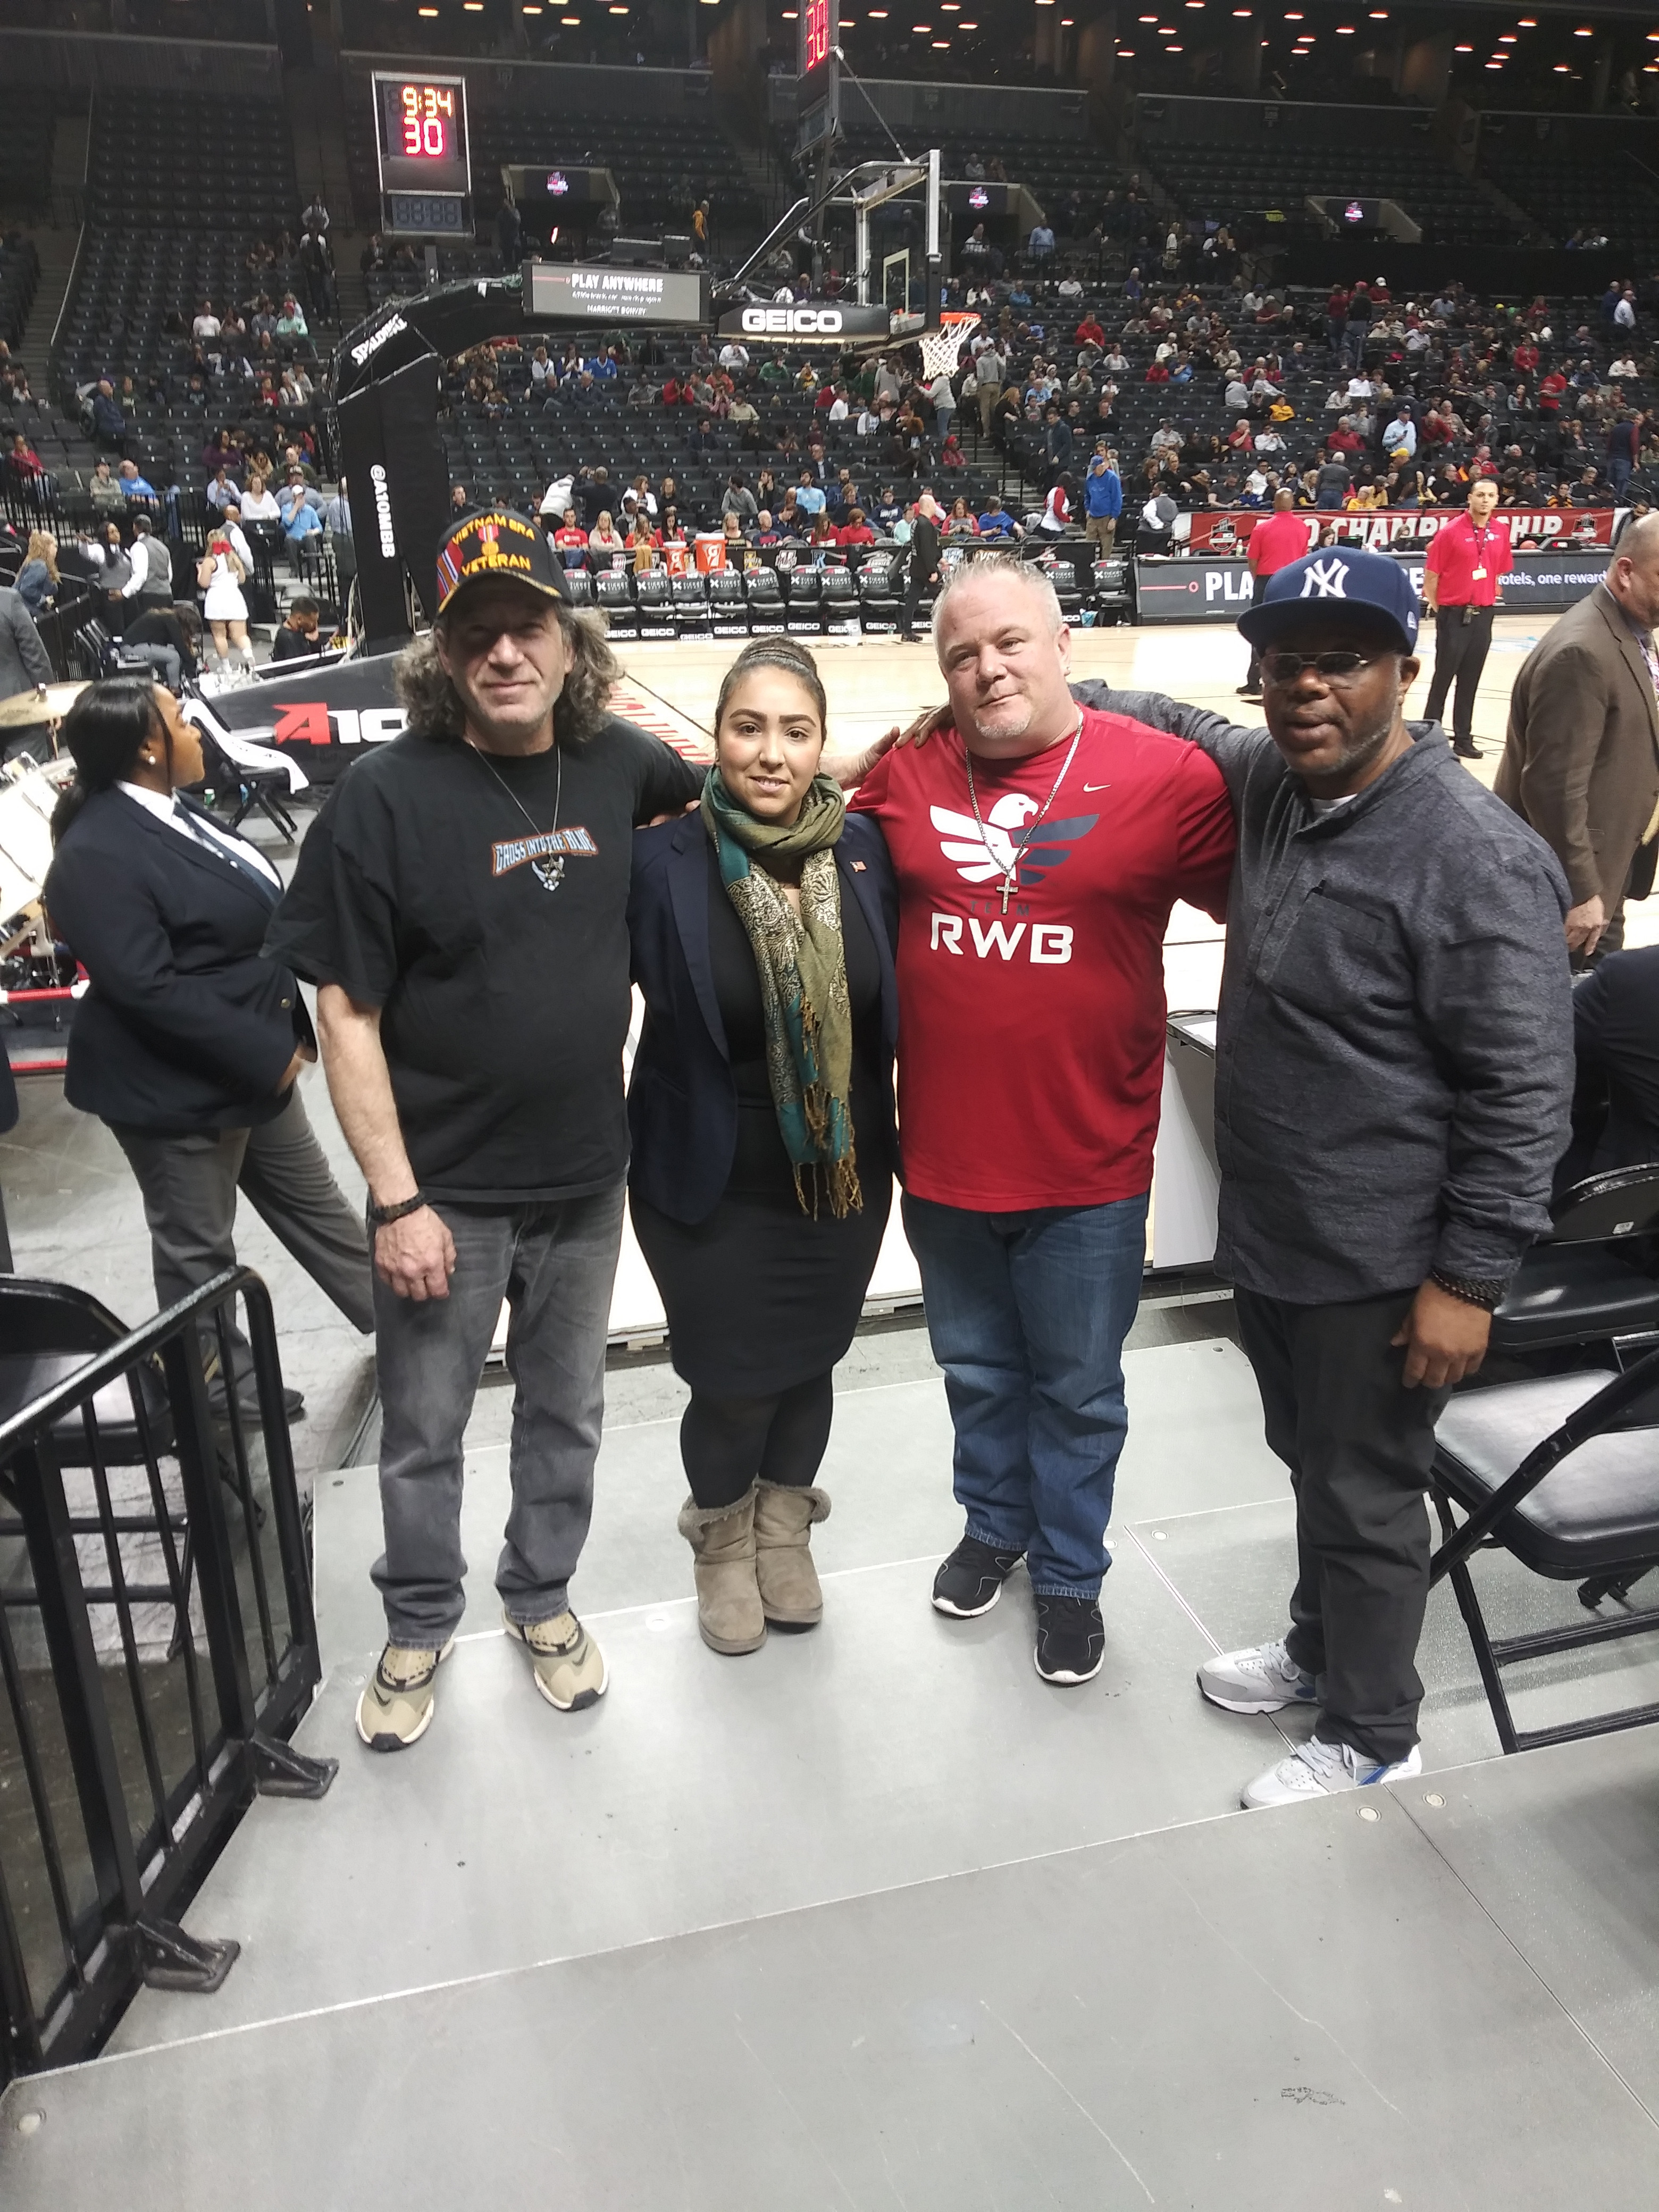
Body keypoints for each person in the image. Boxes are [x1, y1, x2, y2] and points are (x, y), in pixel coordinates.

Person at [1090, 549, 1573, 1806]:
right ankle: (1319, 1651)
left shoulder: (1472, 854)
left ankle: (1372, 1731)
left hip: (1385, 1259)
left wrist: (1468, 1280)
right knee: (1314, 1464)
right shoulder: (1272, 779)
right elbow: (1176, 721)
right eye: (1285, 663)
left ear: (1404, 670)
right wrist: (1046, 685)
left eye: (1341, 662)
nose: (1306, 687)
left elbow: (1523, 1094)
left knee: (1365, 1493)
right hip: (1278, 1232)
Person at [263, 509, 705, 1753]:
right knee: (423, 1433)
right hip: (444, 1195)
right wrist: (396, 1200)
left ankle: (541, 1597)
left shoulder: (620, 762)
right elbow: (344, 1014)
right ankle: (417, 1622)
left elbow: (747, 792)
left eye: (528, 627)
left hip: (587, 1181)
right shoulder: (383, 798)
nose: (505, 652)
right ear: (443, 655)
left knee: (567, 1413)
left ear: (571, 643)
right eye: (477, 634)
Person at [850, 558, 1235, 1685]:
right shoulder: (909, 771)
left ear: (1066, 644)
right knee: (976, 1370)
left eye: (1010, 642)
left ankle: (1070, 1574)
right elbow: (801, 816)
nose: (988, 669)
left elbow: (1282, 907)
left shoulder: (1168, 777)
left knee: (1078, 1388)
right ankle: (995, 1526)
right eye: (962, 655)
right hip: (944, 1159)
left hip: (1090, 1166)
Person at [627, 641, 899, 1654]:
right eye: (749, 728)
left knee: (813, 1363)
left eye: (796, 731)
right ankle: (721, 1547)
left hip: (840, 1181)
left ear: (825, 744)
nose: (772, 753)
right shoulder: (659, 860)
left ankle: (785, 1535)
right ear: (715, 738)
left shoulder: (867, 852)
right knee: (735, 1383)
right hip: (709, 1186)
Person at [42, 681, 374, 1422]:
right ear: (147, 746)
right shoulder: (95, 851)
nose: (197, 731)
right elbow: (147, 988)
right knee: (197, 1250)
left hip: (253, 1065)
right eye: (181, 720)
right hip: (178, 1089)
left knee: (316, 1205)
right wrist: (265, 1051)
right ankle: (223, 1390)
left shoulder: (173, 810)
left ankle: (404, 1318)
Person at [1496, 512, 1659, 964]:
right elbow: (1551, 785)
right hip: (1574, 891)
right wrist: (1582, 889)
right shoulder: (1582, 653)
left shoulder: (1629, 630)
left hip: (1609, 867)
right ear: (1625, 572)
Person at [1421, 477, 1512, 760]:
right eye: (1480, 495)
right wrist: (1442, 611)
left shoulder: (1501, 531)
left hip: (1484, 615)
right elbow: (1431, 578)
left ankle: (1463, 739)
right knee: (1443, 679)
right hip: (1453, 615)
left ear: (1497, 500)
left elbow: (1497, 572)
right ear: (1470, 498)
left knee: (1471, 681)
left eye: (1491, 496)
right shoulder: (1450, 532)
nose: (1485, 500)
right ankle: (1429, 740)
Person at [1238, 490, 1310, 700]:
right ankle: (1291, 676)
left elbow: (1252, 560)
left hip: (1266, 581)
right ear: (1292, 503)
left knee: (1260, 632)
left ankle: (1255, 681)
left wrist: (1258, 581)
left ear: (1275, 503)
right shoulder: (1302, 527)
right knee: (1292, 631)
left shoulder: (1262, 528)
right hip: (1292, 582)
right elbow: (1303, 559)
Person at [197, 530, 252, 671]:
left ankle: (226, 666)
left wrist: (200, 571)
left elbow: (204, 583)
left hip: (217, 598)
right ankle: (249, 656)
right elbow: (242, 579)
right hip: (234, 597)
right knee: (241, 635)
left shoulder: (210, 561)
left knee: (219, 636)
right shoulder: (233, 558)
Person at [901, 491, 942, 643]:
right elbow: (925, 549)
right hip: (925, 569)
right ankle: (945, 631)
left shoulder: (917, 522)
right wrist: (932, 570)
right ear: (928, 505)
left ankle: (907, 631)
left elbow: (927, 547)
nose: (935, 507)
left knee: (912, 599)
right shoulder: (925, 524)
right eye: (934, 504)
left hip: (917, 567)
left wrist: (940, 558)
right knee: (942, 597)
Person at [1083, 451, 1121, 554]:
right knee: (1088, 549)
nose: (1094, 471)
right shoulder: (1090, 479)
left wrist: (1114, 518)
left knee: (1106, 550)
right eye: (1093, 469)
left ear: (1102, 466)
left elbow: (1117, 499)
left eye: (1096, 468)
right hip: (1092, 517)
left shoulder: (1112, 478)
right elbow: (1087, 496)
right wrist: (1087, 509)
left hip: (1106, 518)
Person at [270, 596, 323, 661]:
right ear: (299, 619)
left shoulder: (300, 632)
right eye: (313, 621)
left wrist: (314, 642)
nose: (316, 625)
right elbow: (299, 665)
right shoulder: (289, 638)